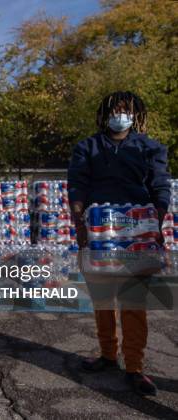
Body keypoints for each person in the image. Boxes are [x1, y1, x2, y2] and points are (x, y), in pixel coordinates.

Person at [67, 91, 170, 396]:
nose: (119, 115)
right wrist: (79, 222)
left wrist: (155, 221)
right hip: (99, 231)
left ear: (135, 114)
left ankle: (135, 367)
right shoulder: (87, 147)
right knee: (102, 299)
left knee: (133, 302)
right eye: (114, 110)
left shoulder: (150, 147)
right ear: (104, 114)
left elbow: (160, 185)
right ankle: (108, 355)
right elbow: (77, 183)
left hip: (137, 232)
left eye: (125, 110)